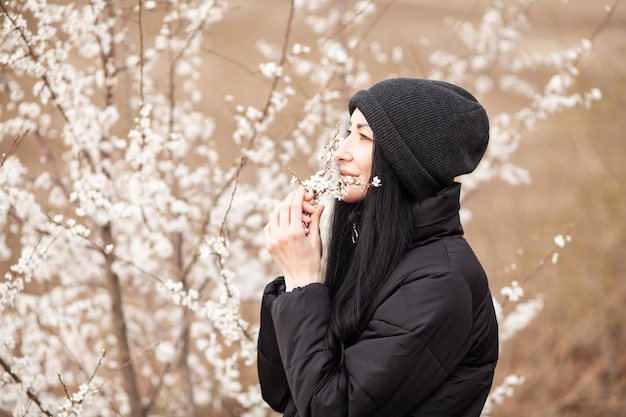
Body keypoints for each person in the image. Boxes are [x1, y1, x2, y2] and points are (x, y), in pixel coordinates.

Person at [258, 77, 499, 417]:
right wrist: (303, 281)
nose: (341, 152)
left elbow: (329, 409)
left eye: (364, 137)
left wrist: (302, 284)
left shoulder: (439, 284)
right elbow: (284, 392)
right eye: (348, 133)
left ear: (406, 164)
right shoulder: (373, 252)